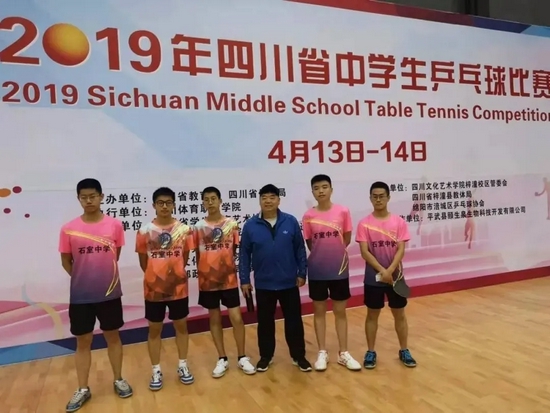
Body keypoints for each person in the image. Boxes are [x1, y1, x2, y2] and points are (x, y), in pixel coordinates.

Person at [58, 178, 133, 412]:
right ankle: (82, 388)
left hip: (110, 293)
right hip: (81, 297)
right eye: (84, 197)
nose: (88, 201)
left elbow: (115, 256)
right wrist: (84, 279)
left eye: (93, 196)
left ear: (101, 197)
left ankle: (118, 379)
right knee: (83, 341)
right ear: (78, 199)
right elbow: (66, 261)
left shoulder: (114, 225)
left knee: (113, 337)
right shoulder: (68, 228)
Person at [239, 184, 312, 372]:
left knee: (294, 322)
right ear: (259, 201)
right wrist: (244, 280)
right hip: (264, 283)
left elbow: (300, 249)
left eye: (272, 197)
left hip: (289, 282)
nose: (268, 201)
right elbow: (244, 254)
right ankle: (266, 356)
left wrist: (302, 273)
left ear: (279, 200)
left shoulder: (290, 221)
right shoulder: (250, 225)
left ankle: (298, 356)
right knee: (265, 323)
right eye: (264, 197)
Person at [135, 187, 195, 391]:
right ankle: (156, 370)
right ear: (154, 205)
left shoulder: (184, 230)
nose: (164, 206)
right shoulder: (144, 231)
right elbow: (143, 261)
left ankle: (183, 365)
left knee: (181, 327)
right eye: (160, 203)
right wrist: (156, 276)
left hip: (178, 288)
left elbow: (185, 257)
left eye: (168, 202)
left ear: (174, 205)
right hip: (153, 289)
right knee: (154, 329)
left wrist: (173, 274)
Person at [193, 186, 256, 378]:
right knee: (214, 319)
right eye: (206, 199)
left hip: (228, 280)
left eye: (213, 198)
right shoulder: (198, 227)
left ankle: (242, 356)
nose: (210, 202)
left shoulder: (231, 224)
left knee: (236, 318)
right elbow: (197, 255)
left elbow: (235, 252)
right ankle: (222, 358)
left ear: (220, 201)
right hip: (208, 282)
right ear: (203, 203)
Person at [302, 175, 361, 372]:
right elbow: (310, 243)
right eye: (316, 188)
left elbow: (346, 239)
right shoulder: (308, 216)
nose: (321, 191)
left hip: (339, 269)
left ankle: (343, 353)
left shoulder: (343, 211)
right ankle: (322, 352)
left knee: (340, 311)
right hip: (317, 271)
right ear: (312, 192)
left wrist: (334, 254)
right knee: (319, 311)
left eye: (324, 187)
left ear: (331, 189)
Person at [355, 181, 417, 369]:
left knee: (400, 314)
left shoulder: (398, 222)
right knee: (372, 315)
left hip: (396, 277)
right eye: (375, 196)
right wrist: (382, 271)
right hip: (372, 278)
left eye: (382, 196)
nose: (378, 199)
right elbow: (365, 252)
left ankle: (404, 350)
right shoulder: (364, 223)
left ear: (388, 197)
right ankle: (371, 351)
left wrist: (390, 271)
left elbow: (401, 249)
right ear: (370, 198)